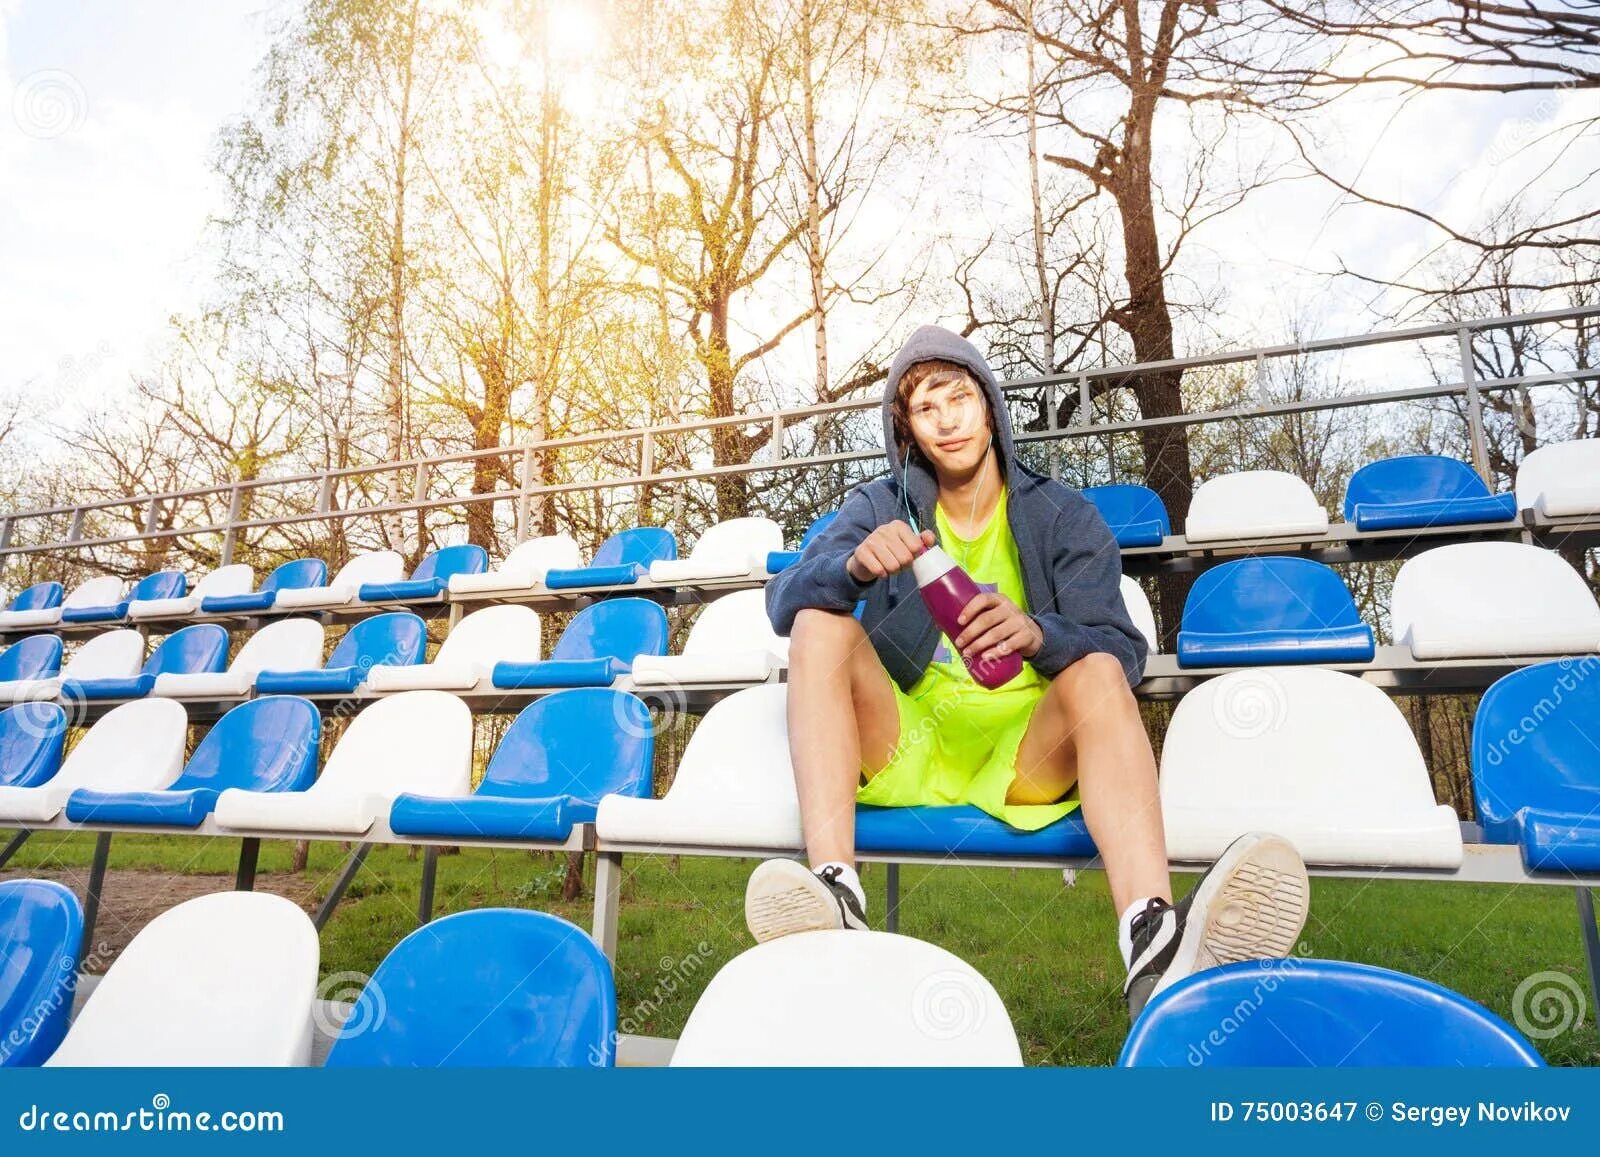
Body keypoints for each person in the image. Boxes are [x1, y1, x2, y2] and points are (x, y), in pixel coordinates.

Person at [750, 323, 1311, 1017]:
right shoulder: (876, 505)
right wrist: (853, 566)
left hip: (1023, 751)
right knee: (816, 622)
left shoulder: (1063, 513)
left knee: (1100, 671)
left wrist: (1035, 632)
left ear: (990, 405)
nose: (946, 418)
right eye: (925, 407)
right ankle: (837, 890)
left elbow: (1123, 647)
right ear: (908, 429)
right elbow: (783, 601)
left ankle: (1152, 936)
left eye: (958, 396)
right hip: (906, 740)